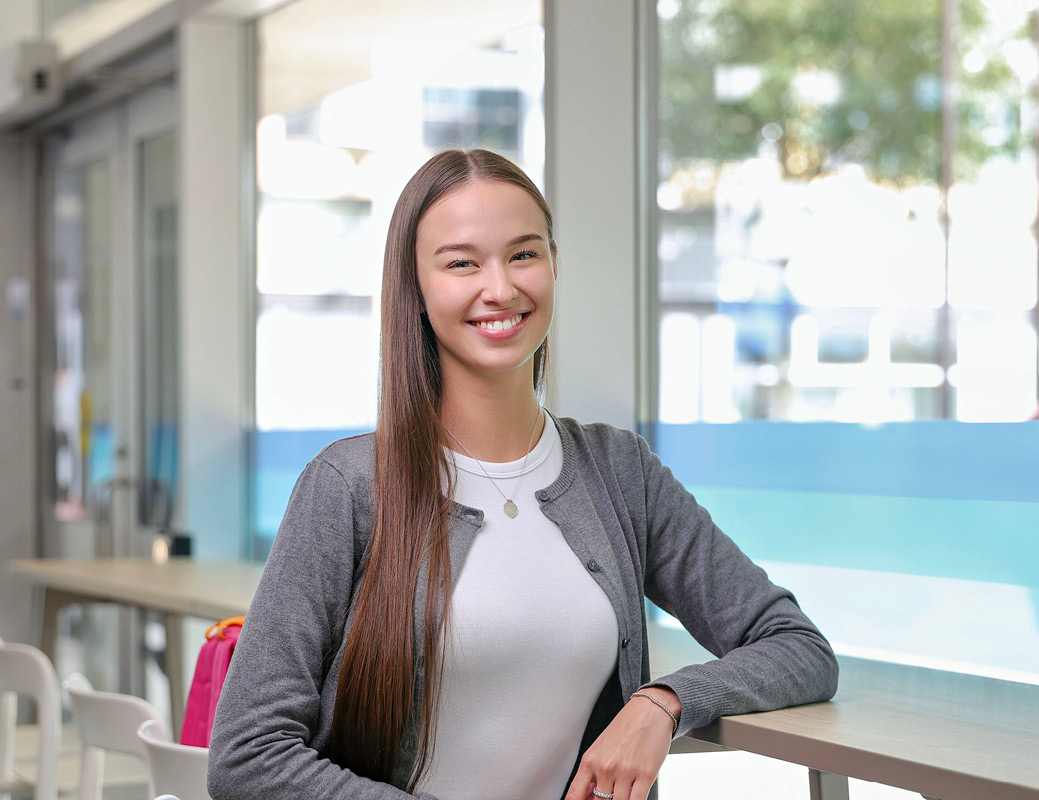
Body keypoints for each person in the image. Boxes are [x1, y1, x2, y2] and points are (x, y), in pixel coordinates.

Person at [207, 149, 838, 800]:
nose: (500, 289)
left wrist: (664, 702)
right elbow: (246, 756)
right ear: (415, 288)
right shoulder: (348, 486)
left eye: (523, 254)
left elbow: (796, 647)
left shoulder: (619, 473)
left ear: (554, 265)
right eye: (460, 263)